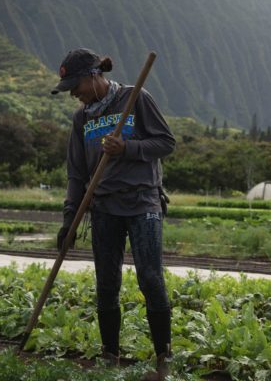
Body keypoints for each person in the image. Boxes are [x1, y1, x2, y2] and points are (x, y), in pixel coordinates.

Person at [51, 48, 175, 380]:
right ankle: (110, 356)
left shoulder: (136, 99)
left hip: (142, 202)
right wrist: (68, 219)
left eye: (76, 86)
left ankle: (164, 356)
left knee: (150, 279)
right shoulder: (82, 118)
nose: (74, 94)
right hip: (103, 207)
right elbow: (77, 174)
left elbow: (165, 143)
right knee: (107, 284)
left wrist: (128, 148)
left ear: (94, 76)